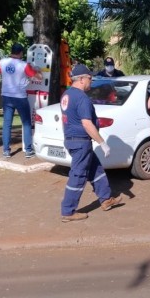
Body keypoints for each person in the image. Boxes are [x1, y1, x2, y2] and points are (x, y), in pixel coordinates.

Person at [59, 64, 122, 222]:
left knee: (96, 169)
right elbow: (87, 124)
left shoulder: (67, 94)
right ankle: (68, 211)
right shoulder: (82, 98)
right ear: (80, 79)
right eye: (89, 78)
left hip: (73, 140)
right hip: (81, 142)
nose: (91, 81)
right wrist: (102, 143)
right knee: (78, 175)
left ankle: (106, 199)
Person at [0, 43, 43, 158]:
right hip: (20, 97)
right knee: (26, 123)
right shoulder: (24, 65)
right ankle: (28, 151)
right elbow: (39, 77)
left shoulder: (3, 62)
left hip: (6, 96)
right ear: (21, 53)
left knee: (7, 124)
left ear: (11, 51)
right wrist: (38, 70)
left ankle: (6, 151)